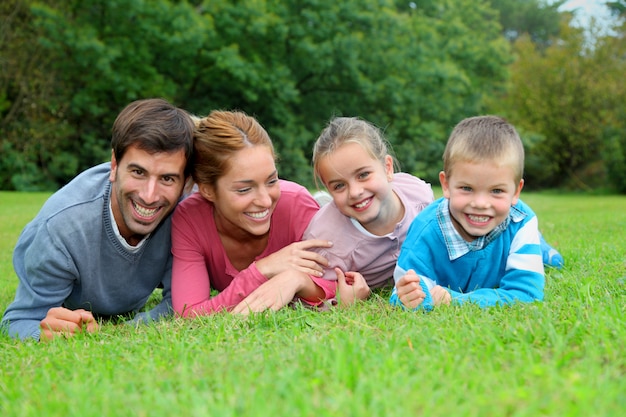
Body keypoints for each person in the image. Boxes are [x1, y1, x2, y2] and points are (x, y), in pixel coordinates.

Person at [1, 98, 195, 341]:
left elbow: (183, 302)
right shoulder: (61, 230)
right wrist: (43, 333)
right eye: (138, 172)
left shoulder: (188, 211)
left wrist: (125, 329)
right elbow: (18, 321)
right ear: (114, 165)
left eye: (167, 178)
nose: (149, 195)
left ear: (185, 183)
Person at [171, 110, 332, 317]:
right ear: (207, 190)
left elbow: (340, 282)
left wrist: (296, 279)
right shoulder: (190, 218)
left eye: (272, 181)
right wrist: (262, 270)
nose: (265, 201)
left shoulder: (296, 205)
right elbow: (188, 315)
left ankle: (325, 212)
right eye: (244, 189)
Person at [390, 115, 547, 311]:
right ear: (446, 185)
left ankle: (542, 250)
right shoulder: (425, 230)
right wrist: (409, 296)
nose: (480, 204)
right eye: (466, 188)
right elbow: (405, 289)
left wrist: (456, 300)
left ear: (516, 191)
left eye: (496, 191)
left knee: (543, 258)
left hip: (517, 236)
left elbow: (527, 294)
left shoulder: (522, 221)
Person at [295, 116, 434, 307]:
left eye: (363, 175)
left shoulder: (420, 196)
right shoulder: (327, 244)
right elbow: (307, 297)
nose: (355, 192)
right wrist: (342, 303)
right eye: (339, 186)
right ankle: (322, 205)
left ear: (387, 168)